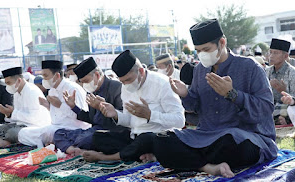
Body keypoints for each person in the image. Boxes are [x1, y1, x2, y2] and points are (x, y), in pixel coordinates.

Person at [100, 19, 277, 178]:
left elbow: (265, 109)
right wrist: (185, 94)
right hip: (206, 135)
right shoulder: (200, 70)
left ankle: (186, 160)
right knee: (160, 139)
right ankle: (208, 167)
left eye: (206, 49)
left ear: (222, 43)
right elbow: (195, 107)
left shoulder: (249, 67)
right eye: (198, 51)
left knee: (233, 142)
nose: (202, 54)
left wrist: (232, 94)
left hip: (243, 135)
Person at [82, 50, 185, 162]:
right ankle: (143, 154)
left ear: (141, 71)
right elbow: (131, 121)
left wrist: (150, 115)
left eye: (128, 80)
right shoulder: (125, 87)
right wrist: (116, 114)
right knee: (98, 137)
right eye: (122, 81)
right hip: (135, 137)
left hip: (158, 137)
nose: (126, 84)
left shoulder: (162, 84)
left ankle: (106, 157)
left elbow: (180, 121)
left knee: (146, 139)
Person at [53, 57, 127, 156]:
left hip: (110, 132)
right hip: (93, 131)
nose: (84, 85)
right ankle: (73, 149)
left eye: (86, 81)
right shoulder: (92, 91)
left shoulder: (116, 87)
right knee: (59, 133)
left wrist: (102, 108)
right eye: (82, 82)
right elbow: (92, 119)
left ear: (97, 75)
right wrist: (73, 107)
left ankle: (73, 147)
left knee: (90, 139)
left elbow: (124, 121)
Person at [18, 60, 91, 148]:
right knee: (23, 133)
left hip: (73, 129)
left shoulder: (73, 89)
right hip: (55, 127)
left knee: (47, 132)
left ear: (57, 75)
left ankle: (56, 143)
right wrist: (48, 106)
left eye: (45, 76)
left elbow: (82, 117)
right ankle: (54, 143)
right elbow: (57, 116)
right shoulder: (52, 90)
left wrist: (60, 105)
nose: (43, 79)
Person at [0, 67, 51, 149]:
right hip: (20, 125)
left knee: (11, 132)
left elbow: (34, 118)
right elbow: (15, 119)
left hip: (35, 126)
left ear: (19, 80)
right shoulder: (16, 93)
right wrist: (8, 114)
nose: (7, 86)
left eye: (9, 83)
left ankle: (3, 145)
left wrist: (13, 113)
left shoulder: (32, 91)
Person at [266, 38, 295, 125]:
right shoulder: (266, 71)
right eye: (270, 52)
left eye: (275, 53)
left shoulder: (292, 72)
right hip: (270, 107)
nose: (271, 56)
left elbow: (293, 100)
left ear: (285, 56)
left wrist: (283, 91)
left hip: (286, 108)